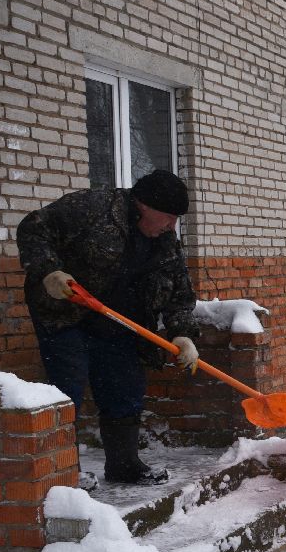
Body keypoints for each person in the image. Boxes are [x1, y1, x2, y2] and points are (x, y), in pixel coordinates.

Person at [17, 170, 199, 486]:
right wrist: (49, 272)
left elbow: (179, 291)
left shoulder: (165, 241)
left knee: (125, 390)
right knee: (67, 392)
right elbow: (33, 228)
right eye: (168, 217)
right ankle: (63, 476)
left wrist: (182, 334)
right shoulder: (94, 207)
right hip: (66, 316)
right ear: (145, 205)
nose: (172, 226)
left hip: (117, 323)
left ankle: (124, 466)